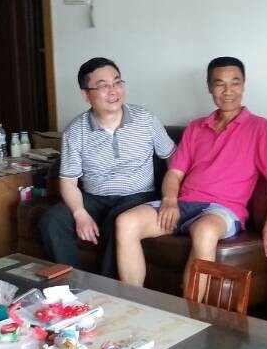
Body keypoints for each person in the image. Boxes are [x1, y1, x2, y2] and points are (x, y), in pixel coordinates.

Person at [116, 56, 267, 289]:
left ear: (243, 85)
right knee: (126, 222)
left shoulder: (260, 128)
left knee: (205, 230)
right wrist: (170, 200)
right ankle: (134, 302)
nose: (228, 91)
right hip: (183, 205)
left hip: (222, 210)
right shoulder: (196, 127)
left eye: (235, 83)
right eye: (220, 84)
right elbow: (175, 173)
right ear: (210, 87)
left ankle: (191, 310)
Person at [39, 57, 175, 278]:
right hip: (94, 197)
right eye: (103, 85)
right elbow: (68, 182)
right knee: (52, 220)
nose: (113, 91)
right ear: (86, 95)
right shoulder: (76, 130)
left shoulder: (145, 120)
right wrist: (80, 214)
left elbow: (173, 159)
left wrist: (172, 196)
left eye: (117, 82)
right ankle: (71, 285)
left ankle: (106, 290)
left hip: (138, 195)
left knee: (117, 221)